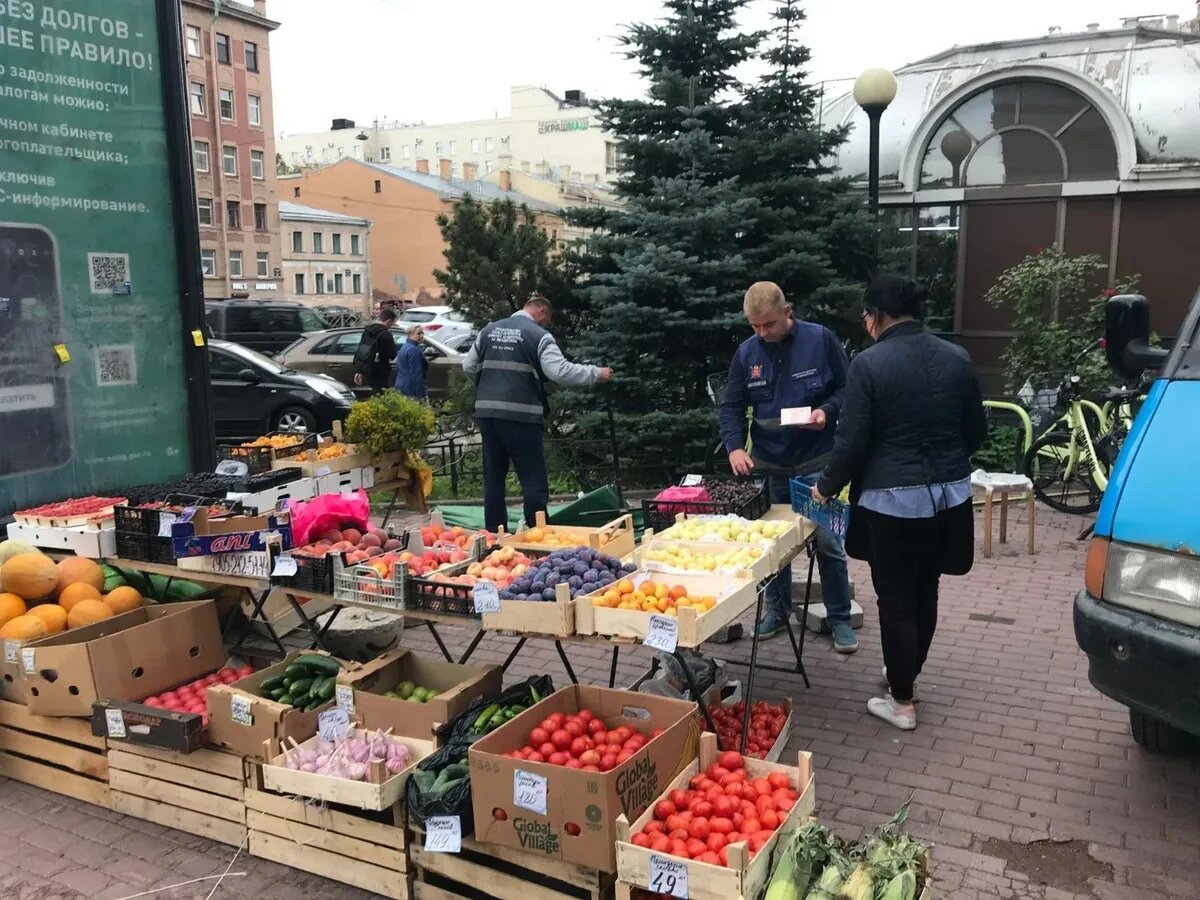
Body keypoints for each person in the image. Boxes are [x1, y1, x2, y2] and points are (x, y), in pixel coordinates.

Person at [813, 274, 987, 731]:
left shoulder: (868, 364)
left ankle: (902, 701)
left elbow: (852, 442)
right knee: (926, 589)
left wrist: (826, 487)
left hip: (891, 502)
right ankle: (905, 673)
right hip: (948, 497)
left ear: (876, 316)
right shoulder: (956, 357)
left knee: (895, 599)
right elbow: (976, 431)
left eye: (864, 316)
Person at [719, 282, 856, 649]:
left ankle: (839, 618)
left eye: (769, 324)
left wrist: (826, 412)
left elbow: (848, 389)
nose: (762, 333)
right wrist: (735, 448)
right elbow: (731, 405)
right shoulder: (747, 353)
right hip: (769, 464)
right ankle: (777, 611)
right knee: (772, 545)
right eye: (755, 326)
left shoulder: (820, 340)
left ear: (787, 312)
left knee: (827, 542)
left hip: (816, 463)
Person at [463, 294, 612, 534]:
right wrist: (596, 373)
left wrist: (489, 387)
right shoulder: (538, 335)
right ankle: (537, 530)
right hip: (522, 415)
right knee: (532, 476)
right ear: (541, 312)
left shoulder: (488, 330)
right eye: (547, 320)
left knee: (494, 475)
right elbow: (559, 371)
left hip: (488, 413)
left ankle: (494, 533)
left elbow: (468, 366)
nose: (546, 324)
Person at [353, 307, 398, 395]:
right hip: (381, 369)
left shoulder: (367, 331)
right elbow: (392, 355)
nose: (392, 325)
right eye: (392, 323)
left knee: (374, 391)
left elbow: (362, 350)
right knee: (382, 393)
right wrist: (393, 345)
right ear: (389, 321)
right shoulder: (386, 334)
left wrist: (359, 370)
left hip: (368, 368)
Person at [394, 324, 429, 400]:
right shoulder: (413, 350)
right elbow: (416, 374)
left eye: (422, 333)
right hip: (411, 390)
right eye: (419, 333)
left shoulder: (405, 346)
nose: (421, 336)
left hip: (401, 386)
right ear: (410, 334)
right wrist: (421, 395)